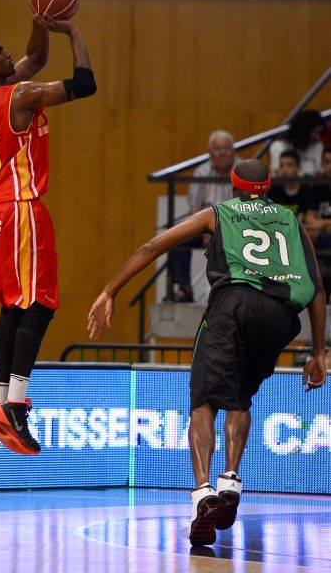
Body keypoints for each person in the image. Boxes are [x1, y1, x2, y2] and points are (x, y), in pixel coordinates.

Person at [88, 159, 326, 547]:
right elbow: (316, 290)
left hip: (233, 304)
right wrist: (318, 352)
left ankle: (202, 491)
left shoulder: (218, 213)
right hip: (281, 317)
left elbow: (153, 246)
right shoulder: (291, 221)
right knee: (240, 397)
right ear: (268, 187)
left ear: (233, 187)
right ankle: (230, 479)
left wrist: (110, 290)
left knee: (204, 401)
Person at [0, 12, 96, 455]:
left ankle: (0, 402)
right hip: (19, 209)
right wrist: (71, 30)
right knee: (39, 304)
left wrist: (41, 19)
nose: (8, 53)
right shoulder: (19, 95)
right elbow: (84, 84)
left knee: (12, 307)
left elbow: (36, 57)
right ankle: (15, 406)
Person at [173, 130, 241, 301]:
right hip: (205, 226)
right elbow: (194, 208)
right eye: (218, 149)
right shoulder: (201, 172)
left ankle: (239, 289)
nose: (223, 152)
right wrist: (204, 231)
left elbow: (247, 206)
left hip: (236, 226)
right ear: (210, 153)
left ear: (233, 150)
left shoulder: (243, 170)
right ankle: (184, 287)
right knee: (177, 237)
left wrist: (218, 231)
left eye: (226, 148)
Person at [304, 146, 331, 301]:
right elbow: (309, 218)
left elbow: (314, 220)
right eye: (327, 162)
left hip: (323, 232)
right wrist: (326, 224)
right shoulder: (319, 186)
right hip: (323, 234)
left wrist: (320, 223)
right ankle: (314, 287)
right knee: (307, 232)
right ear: (322, 165)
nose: (330, 166)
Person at [269, 109, 325, 176]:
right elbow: (276, 174)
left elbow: (321, 173)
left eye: (320, 133)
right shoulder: (278, 146)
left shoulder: (318, 146)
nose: (318, 137)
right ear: (303, 131)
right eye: (315, 132)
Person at [268, 149, 309, 220]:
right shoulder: (273, 190)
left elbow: (302, 219)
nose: (285, 169)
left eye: (290, 165)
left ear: (298, 168)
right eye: (282, 165)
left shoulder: (306, 190)